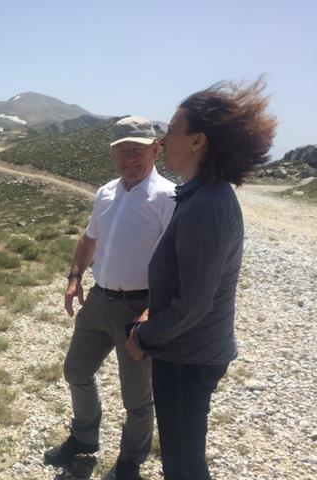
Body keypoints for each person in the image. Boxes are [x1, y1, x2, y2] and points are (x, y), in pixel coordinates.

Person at [126, 79, 276, 480]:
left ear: (197, 142)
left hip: (186, 357)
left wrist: (145, 337)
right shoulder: (201, 195)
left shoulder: (207, 204)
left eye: (172, 130)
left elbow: (195, 302)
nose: (163, 138)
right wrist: (150, 315)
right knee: (182, 456)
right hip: (187, 350)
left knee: (183, 463)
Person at [44, 116, 176, 480]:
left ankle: (130, 462)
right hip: (99, 301)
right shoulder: (105, 192)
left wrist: (153, 311)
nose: (129, 159)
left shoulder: (167, 197)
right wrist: (74, 277)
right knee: (75, 371)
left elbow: (176, 263)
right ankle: (85, 438)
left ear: (155, 149)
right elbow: (89, 240)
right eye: (122, 152)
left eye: (137, 150)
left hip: (139, 307)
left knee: (137, 397)